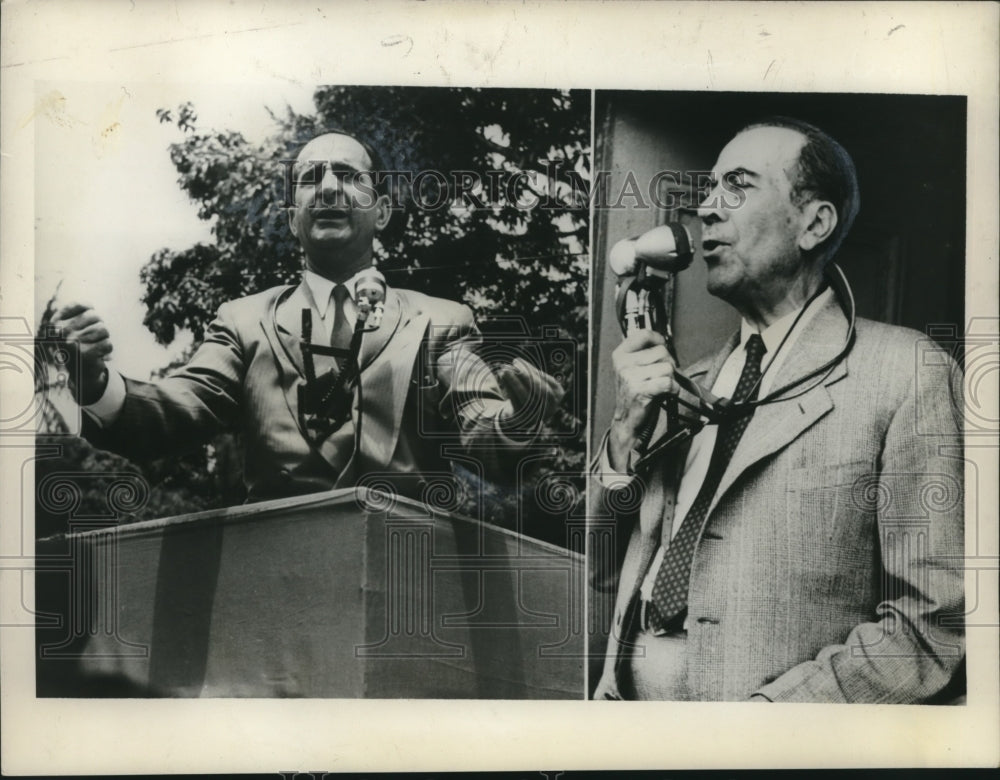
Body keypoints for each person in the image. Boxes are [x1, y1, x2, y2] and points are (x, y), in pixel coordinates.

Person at [593, 117, 964, 702]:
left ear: (814, 223)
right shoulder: (684, 383)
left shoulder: (907, 371)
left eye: (738, 186)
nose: (708, 211)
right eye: (709, 191)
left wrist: (771, 724)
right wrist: (621, 439)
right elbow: (602, 570)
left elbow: (931, 627)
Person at [52, 131, 563, 503]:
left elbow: (486, 437)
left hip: (407, 583)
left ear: (381, 211)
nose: (329, 187)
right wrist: (96, 381)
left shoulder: (442, 322)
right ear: (292, 213)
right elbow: (177, 409)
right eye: (310, 179)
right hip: (278, 590)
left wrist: (519, 420)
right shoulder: (242, 322)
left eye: (348, 175)